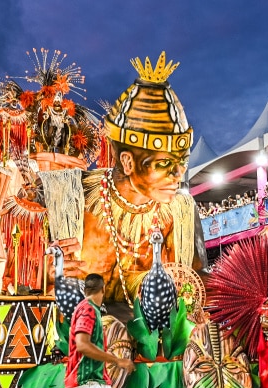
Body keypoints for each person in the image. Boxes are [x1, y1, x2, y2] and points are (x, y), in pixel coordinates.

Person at [56, 52, 208, 323]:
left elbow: (200, 282)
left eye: (182, 162)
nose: (178, 174)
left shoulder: (182, 212)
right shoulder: (68, 198)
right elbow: (22, 271)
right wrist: (48, 271)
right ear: (127, 161)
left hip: (158, 348)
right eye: (164, 163)